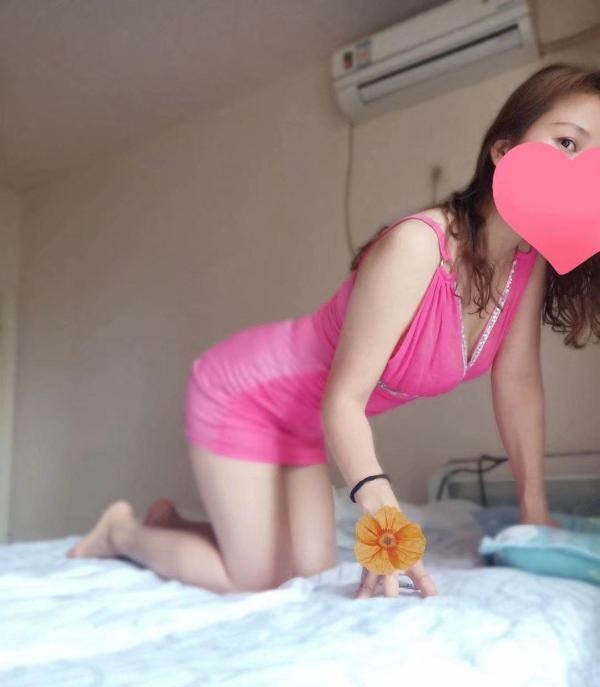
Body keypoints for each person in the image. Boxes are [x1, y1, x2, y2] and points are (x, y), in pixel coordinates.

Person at [66, 62, 600, 600]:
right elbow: (344, 398)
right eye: (567, 142)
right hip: (244, 393)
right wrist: (380, 506)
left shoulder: (527, 264)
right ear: (504, 150)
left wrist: (535, 511)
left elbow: (518, 383)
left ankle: (171, 524)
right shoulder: (419, 245)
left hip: (304, 420)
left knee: (308, 572)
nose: (581, 168)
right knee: (253, 580)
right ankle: (120, 532)